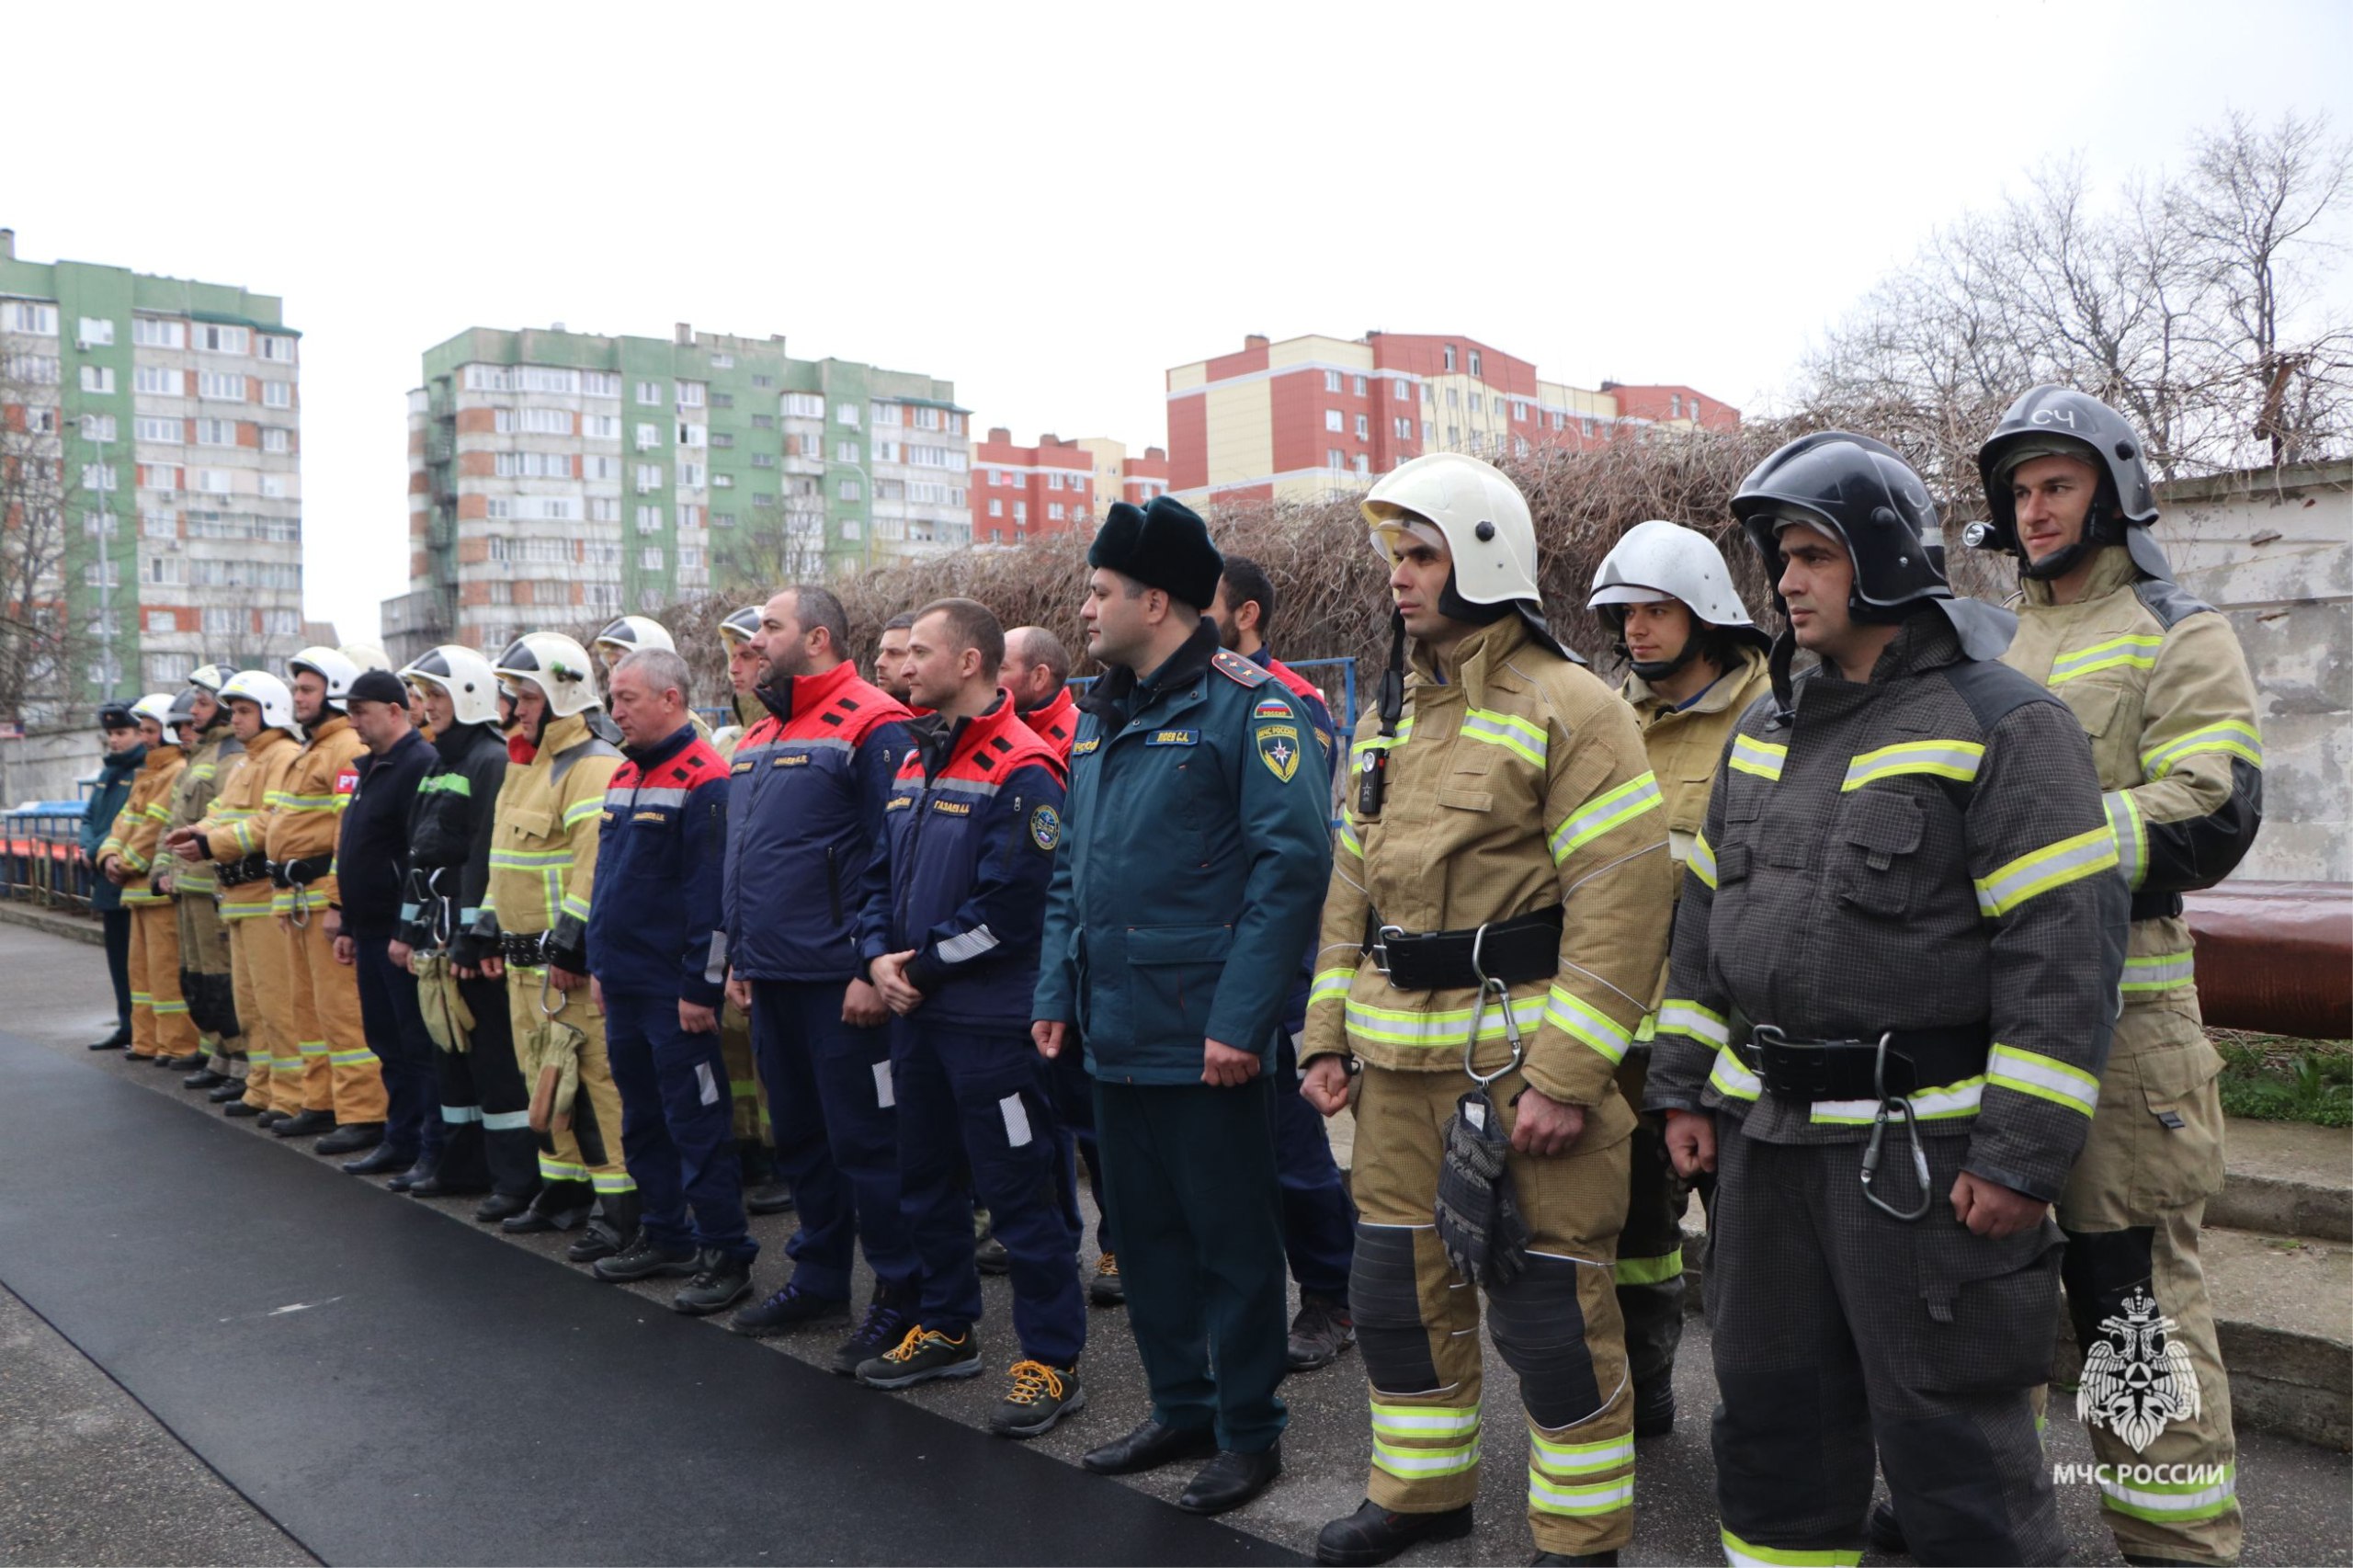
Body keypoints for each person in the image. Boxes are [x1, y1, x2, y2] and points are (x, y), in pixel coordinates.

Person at [1644, 430, 2128, 1567]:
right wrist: (1681, 1086)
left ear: (1883, 559)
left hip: (1923, 1160)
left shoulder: (2005, 723)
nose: (1787, 580)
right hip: (1764, 1147)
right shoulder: (1763, 727)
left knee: (1952, 1444)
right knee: (1771, 1423)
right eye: (1781, 557)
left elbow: (2062, 958)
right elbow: (1704, 925)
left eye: (1813, 554)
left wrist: (2018, 1157)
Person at [1298, 454, 1672, 1568]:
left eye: (1422, 554)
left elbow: (1623, 906)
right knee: (1395, 1294)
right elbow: (1349, 892)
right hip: (1395, 1076)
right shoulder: (1389, 713)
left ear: (1483, 557)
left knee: (1552, 1310)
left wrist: (1565, 1077)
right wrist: (1324, 1036)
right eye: (1396, 556)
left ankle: (1580, 1536)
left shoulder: (1575, 707)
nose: (1400, 577)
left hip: (1520, 1069)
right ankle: (1420, 1494)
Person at [1960, 386, 2261, 1567]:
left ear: (2114, 492)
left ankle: (2171, 1537)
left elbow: (2211, 809)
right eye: (2019, 491)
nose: (2034, 510)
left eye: (2057, 485)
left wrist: (2043, 846)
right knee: (1985, 1293)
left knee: (2129, 1301)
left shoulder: (2177, 630)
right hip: (1995, 1022)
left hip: (2125, 1028)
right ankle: (1989, 1509)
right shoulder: (1996, 641)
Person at [1034, 495, 1332, 1517]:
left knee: (1233, 1243)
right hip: (1114, 1028)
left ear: (1154, 600)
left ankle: (1249, 1430)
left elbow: (1291, 872)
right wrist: (1054, 991)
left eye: (1099, 592)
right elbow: (1071, 874)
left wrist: (1242, 1022)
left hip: (1208, 1037)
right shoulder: (1101, 714)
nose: (1085, 609)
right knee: (1144, 1234)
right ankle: (1181, 1405)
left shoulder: (1252, 706)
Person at [851, 597, 1085, 1436]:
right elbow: (876, 878)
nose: (903, 666)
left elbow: (1013, 911)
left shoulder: (1025, 767)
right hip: (917, 1019)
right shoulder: (914, 758)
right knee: (924, 1182)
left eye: (920, 652)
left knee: (1021, 1198)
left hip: (990, 1028)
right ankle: (947, 1328)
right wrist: (874, 956)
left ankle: (1051, 1361)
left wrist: (913, 967)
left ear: (970, 662)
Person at [1584, 517, 1775, 1439]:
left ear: (1706, 613)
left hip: (1735, 1040)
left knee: (1753, 1249)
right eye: (1625, 613)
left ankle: (1764, 1429)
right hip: (1625, 1036)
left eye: (1656, 610)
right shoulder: (1604, 720)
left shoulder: (1773, 714)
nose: (1637, 629)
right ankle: (1645, 1392)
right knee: (1631, 1240)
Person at [720, 585, 924, 1374]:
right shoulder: (761, 732)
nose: (754, 643)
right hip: (773, 976)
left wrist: (874, 965)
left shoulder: (873, 722)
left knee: (870, 1146)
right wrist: (740, 956)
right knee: (800, 1139)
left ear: (818, 639)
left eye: (769, 628)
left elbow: (896, 854)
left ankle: (903, 1297)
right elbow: (746, 859)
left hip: (843, 984)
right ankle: (819, 1279)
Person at [1210, 554, 1359, 1373]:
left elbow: (1288, 849)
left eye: (1205, 601)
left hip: (1278, 959)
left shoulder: (1289, 702)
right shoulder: (1191, 698)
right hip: (1207, 960)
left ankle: (1333, 1297)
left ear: (1248, 615)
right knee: (1231, 1157)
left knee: (1294, 1149)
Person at [586, 647, 758, 1317]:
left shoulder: (705, 778)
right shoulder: (625, 772)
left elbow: (711, 900)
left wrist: (699, 987)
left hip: (674, 994)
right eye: (612, 698)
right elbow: (607, 882)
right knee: (642, 1118)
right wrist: (601, 967)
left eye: (627, 698)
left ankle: (726, 1252)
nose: (616, 711)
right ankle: (666, 1235)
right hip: (626, 984)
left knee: (697, 1121)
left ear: (671, 699)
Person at [472, 633, 638, 1257]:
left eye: (527, 696)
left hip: (562, 967)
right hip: (526, 964)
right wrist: (486, 924)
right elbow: (505, 861)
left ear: (561, 695)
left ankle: (620, 1208)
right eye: (514, 696)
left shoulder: (591, 765)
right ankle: (562, 1189)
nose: (515, 708)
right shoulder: (525, 764)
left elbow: (593, 868)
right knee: (544, 1081)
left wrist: (572, 946)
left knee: (595, 1086)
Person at [394, 644, 530, 1207]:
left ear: (470, 695)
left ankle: (514, 1180)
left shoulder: (489, 760)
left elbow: (486, 856)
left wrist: (476, 937)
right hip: (437, 936)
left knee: (494, 1063)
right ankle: (462, 1166)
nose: (427, 705)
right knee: (451, 1057)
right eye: (424, 695)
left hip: (468, 943)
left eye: (437, 694)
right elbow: (419, 853)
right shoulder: (440, 763)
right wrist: (407, 931)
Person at [265, 647, 391, 1156]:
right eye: (296, 689)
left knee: (342, 1013)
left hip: (321, 897)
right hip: (300, 898)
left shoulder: (342, 749)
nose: (297, 698)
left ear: (333, 693)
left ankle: (363, 1112)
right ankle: (321, 1100)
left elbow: (347, 833)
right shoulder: (313, 748)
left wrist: (338, 903)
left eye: (307, 689)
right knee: (309, 1011)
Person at [167, 671, 302, 1121]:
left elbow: (270, 822)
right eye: (235, 711)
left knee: (276, 1004)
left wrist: (211, 843)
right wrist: (198, 831)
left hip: (263, 896)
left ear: (271, 712)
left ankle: (290, 1094)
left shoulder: (282, 756)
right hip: (241, 898)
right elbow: (220, 812)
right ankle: (261, 1087)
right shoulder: (248, 761)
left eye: (245, 711)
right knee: (250, 1004)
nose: (236, 719)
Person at [328, 670, 438, 1177]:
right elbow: (359, 851)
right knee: (386, 1042)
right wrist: (350, 924)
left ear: (395, 711)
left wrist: (405, 930)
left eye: (361, 712)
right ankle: (400, 1139)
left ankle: (427, 1146)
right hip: (370, 930)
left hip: (399, 935)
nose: (353, 723)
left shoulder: (417, 764)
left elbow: (419, 857)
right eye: (349, 713)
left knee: (415, 1044)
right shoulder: (372, 766)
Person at [708, 605, 789, 1216]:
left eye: (748, 656)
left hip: (782, 934)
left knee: (773, 1058)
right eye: (732, 657)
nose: (736, 669)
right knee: (739, 1050)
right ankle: (754, 1146)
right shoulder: (735, 740)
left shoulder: (787, 734)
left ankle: (784, 1157)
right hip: (738, 928)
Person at [156, 668, 248, 1098]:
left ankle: (241, 1063)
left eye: (202, 703)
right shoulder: (202, 755)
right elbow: (174, 821)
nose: (193, 712)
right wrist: (162, 870)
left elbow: (228, 824)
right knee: (198, 979)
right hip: (187, 886)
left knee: (221, 979)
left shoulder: (230, 757)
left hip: (210, 888)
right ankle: (221, 1055)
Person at [96, 695, 193, 1065]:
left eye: (151, 731)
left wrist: (122, 862)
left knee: (165, 975)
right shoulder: (151, 773)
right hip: (138, 891)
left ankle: (175, 1044)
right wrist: (110, 855)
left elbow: (155, 829)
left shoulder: (173, 771)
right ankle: (149, 1040)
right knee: (142, 975)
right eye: (144, 730)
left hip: (154, 892)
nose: (146, 738)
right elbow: (123, 823)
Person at [82, 701, 143, 1051]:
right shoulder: (108, 773)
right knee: (118, 961)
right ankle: (126, 1024)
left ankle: (140, 1027)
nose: (114, 740)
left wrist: (92, 850)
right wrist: (86, 844)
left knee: (137, 962)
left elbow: (126, 822)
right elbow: (90, 817)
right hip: (105, 878)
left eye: (122, 732)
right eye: (111, 734)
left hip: (125, 874)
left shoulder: (142, 771)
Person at [1006, 625, 1081, 764]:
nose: (989, 676)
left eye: (1001, 668)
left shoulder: (1075, 744)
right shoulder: (1001, 725)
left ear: (1039, 677)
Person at [873, 612, 919, 706]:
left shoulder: (945, 714)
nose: (878, 663)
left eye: (894, 653)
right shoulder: (868, 709)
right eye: (881, 652)